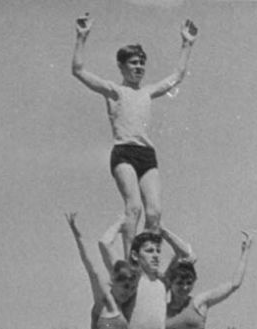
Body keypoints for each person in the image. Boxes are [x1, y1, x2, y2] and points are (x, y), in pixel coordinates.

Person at [72, 14, 198, 256]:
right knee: (134, 208)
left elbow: (177, 76)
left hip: (146, 154)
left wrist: (187, 44)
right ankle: (131, 259)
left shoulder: (148, 92)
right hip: (124, 153)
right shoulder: (114, 90)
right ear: (121, 66)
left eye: (142, 63)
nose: (139, 67)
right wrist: (81, 37)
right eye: (133, 62)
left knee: (154, 213)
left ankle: (148, 256)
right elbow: (78, 70)